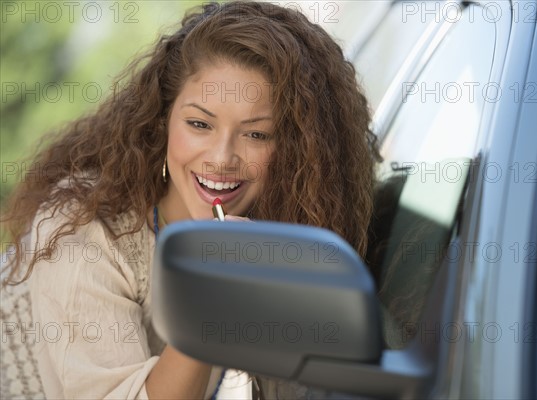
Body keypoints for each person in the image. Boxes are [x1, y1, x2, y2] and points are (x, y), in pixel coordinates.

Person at [0, 1, 380, 398]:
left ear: (297, 150)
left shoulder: (273, 232)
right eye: (200, 124)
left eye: (257, 134)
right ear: (162, 120)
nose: (220, 158)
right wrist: (208, 297)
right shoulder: (80, 230)